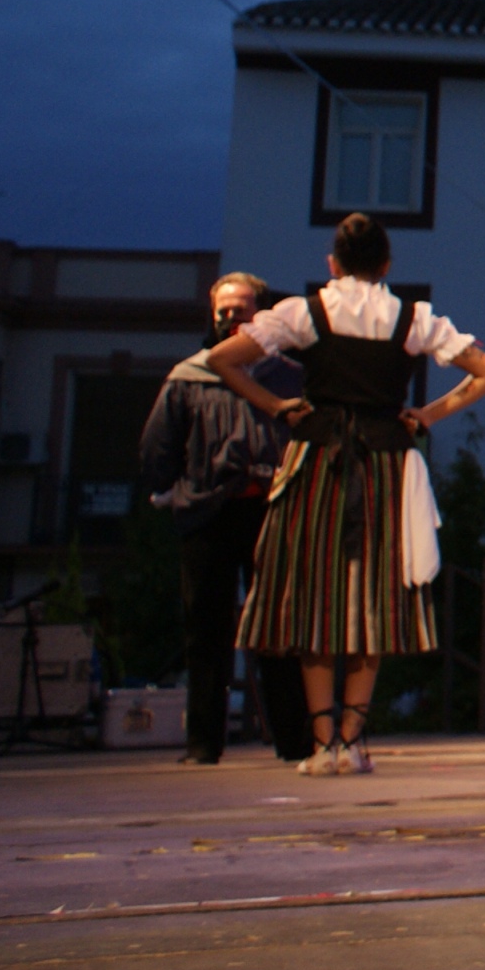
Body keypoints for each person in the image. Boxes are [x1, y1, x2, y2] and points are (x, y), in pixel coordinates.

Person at [206, 214, 485, 775]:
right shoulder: (411, 318)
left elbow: (224, 359)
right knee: (376, 596)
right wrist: (427, 414)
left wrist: (276, 406)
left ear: (333, 264)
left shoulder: (306, 312)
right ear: (387, 266)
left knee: (314, 595)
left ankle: (322, 744)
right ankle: (353, 737)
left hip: (318, 457)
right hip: (386, 461)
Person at [138, 271, 315, 766]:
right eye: (221, 309)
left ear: (258, 314)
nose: (228, 317)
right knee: (205, 633)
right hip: (207, 514)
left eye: (239, 309)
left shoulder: (287, 376)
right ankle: (203, 744)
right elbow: (158, 447)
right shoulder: (188, 376)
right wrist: (171, 491)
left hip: (271, 513)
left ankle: (293, 740)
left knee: (278, 633)